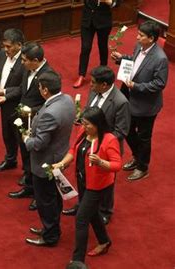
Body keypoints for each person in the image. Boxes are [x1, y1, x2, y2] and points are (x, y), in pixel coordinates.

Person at [54, 107, 122, 266]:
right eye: (83, 123)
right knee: (92, 213)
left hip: (98, 186)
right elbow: (73, 149)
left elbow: (117, 164)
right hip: (83, 180)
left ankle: (78, 261)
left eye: (87, 124)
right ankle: (104, 241)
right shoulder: (83, 133)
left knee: (81, 218)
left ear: (98, 124)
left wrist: (101, 162)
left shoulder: (109, 139)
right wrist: (62, 163)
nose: (84, 127)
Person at [63, 66, 130, 225]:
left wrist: (101, 142)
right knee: (82, 175)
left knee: (105, 182)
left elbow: (121, 131)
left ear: (105, 85)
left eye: (93, 83)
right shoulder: (95, 91)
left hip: (105, 149)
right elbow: (89, 111)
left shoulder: (121, 102)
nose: (90, 85)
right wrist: (82, 121)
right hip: (86, 143)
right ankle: (82, 204)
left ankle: (105, 211)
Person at [111, 20, 169, 181]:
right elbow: (135, 62)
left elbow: (159, 84)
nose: (137, 37)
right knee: (127, 130)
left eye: (141, 35)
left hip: (146, 105)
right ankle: (138, 156)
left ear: (151, 38)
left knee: (144, 136)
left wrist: (137, 86)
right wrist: (122, 58)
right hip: (130, 99)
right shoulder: (139, 47)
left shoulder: (160, 59)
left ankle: (143, 167)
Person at [22, 71, 75, 246]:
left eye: (39, 87)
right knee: (54, 196)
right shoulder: (67, 99)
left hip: (44, 164)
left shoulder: (49, 113)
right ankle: (50, 228)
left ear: (45, 90)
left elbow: (38, 144)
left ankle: (50, 235)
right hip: (59, 155)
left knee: (46, 201)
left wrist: (26, 139)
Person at [7, 42, 52, 211]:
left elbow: (50, 103)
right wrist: (6, 93)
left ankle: (37, 195)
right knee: (25, 156)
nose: (22, 63)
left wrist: (30, 111)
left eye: (25, 60)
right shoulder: (28, 69)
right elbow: (22, 90)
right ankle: (29, 187)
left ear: (35, 60)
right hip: (23, 121)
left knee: (36, 161)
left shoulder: (49, 75)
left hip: (38, 123)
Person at [0, 28, 26, 172]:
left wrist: (5, 92)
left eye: (9, 46)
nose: (5, 49)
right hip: (3, 104)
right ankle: (10, 159)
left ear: (19, 45)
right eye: (4, 45)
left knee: (21, 139)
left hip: (17, 105)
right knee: (7, 134)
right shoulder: (1, 54)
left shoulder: (25, 60)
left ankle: (27, 171)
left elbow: (23, 87)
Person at [73, 0, 119, 88]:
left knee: (102, 46)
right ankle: (81, 75)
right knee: (85, 47)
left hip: (103, 21)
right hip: (87, 20)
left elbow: (116, 4)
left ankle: (104, 71)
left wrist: (108, 1)